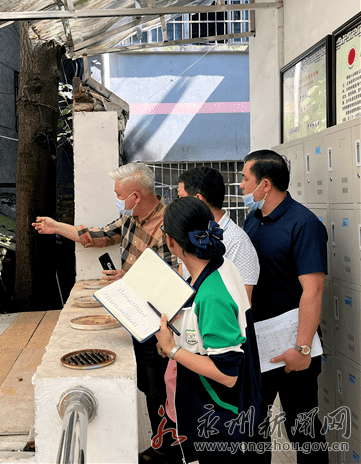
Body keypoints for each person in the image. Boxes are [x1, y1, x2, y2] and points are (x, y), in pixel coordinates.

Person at [32, 162, 178, 463]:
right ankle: (162, 442)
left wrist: (131, 278)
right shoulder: (129, 219)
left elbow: (173, 276)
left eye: (119, 194)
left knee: (160, 388)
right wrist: (55, 226)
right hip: (134, 316)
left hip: (160, 321)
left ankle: (168, 449)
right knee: (147, 385)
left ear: (135, 196)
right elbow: (96, 235)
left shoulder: (169, 224)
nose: (117, 198)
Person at [155, 196, 262, 464]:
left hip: (218, 421)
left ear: (170, 242)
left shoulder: (212, 294)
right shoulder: (218, 265)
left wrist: (172, 350)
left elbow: (227, 374)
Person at [240, 150, 328, 464]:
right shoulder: (254, 218)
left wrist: (302, 348)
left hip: (293, 344)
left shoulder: (303, 224)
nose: (240, 186)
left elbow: (313, 290)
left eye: (245, 179)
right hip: (258, 344)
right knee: (253, 427)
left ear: (265, 184)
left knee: (303, 430)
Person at [178, 166, 260, 302]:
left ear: (198, 199)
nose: (177, 205)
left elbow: (243, 303)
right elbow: (181, 283)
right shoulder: (189, 232)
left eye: (181, 199)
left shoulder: (237, 242)